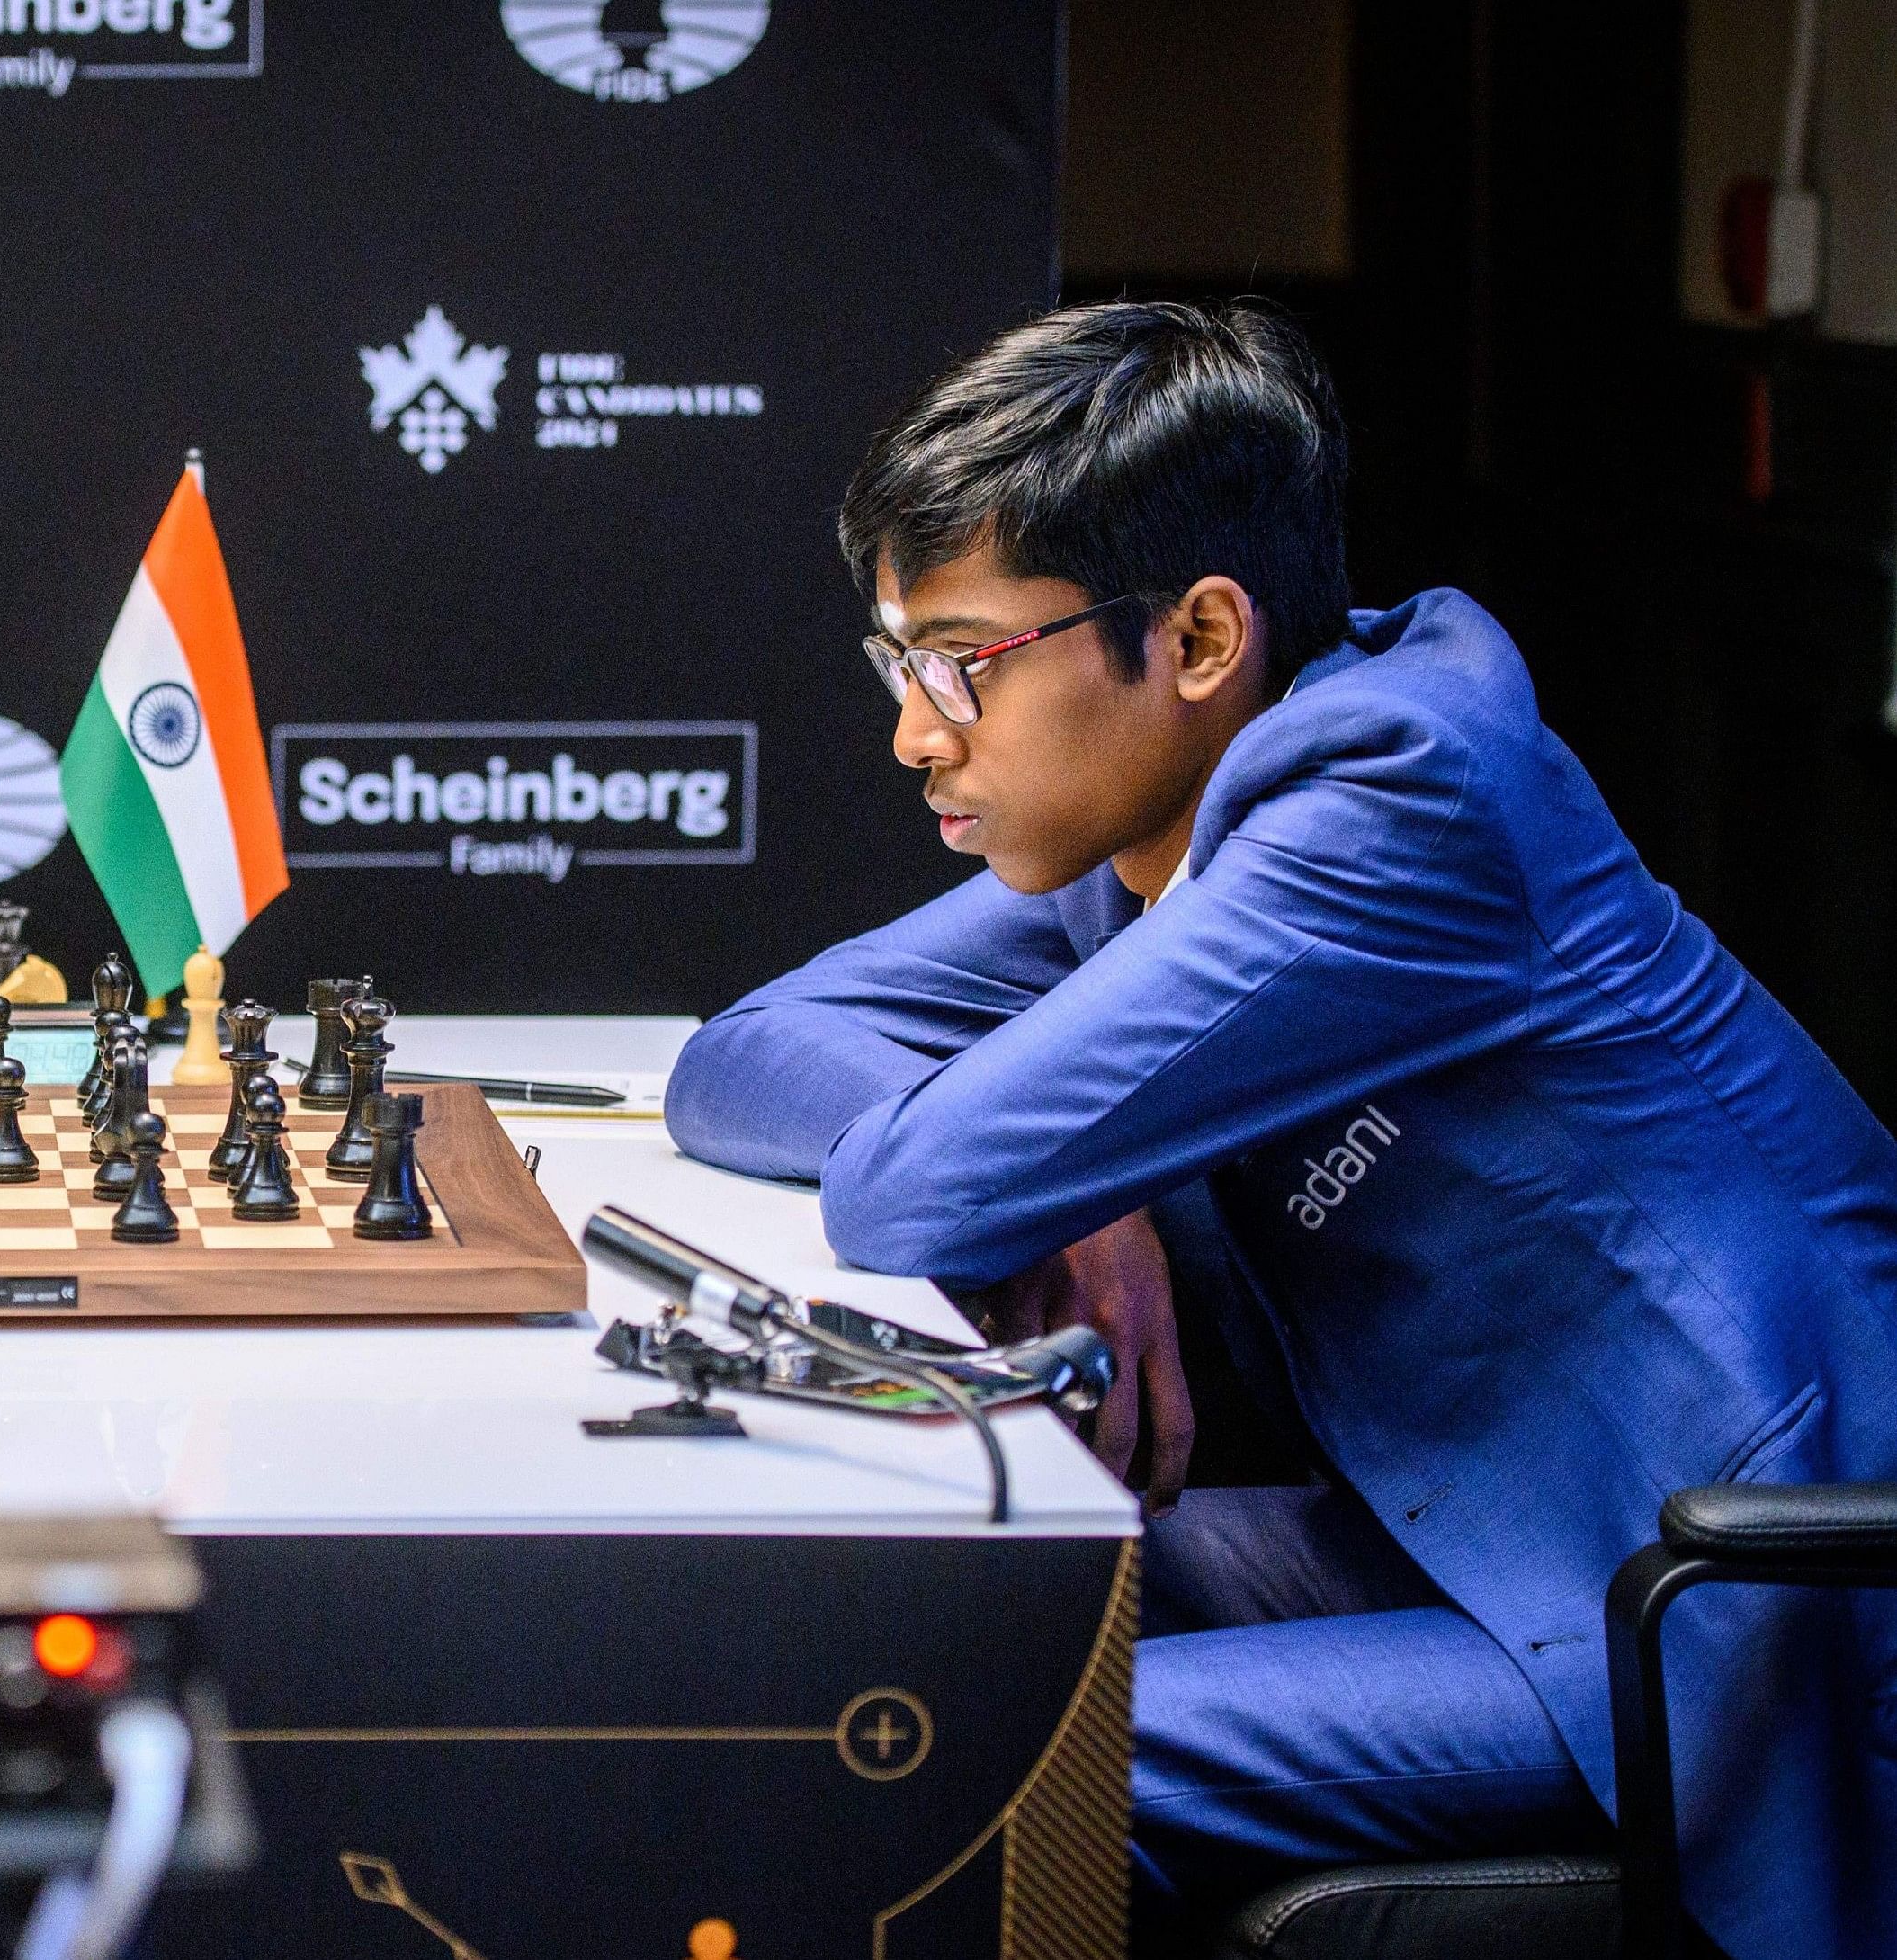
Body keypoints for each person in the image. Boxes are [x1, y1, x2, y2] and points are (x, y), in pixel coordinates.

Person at [667, 300, 1895, 1956]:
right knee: (925, 1604)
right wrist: (1072, 1193)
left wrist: (1032, 1161)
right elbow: (741, 1055)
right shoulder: (1158, 833)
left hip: (1713, 1605)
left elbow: (911, 1189)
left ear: (1194, 639)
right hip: (1462, 1533)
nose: (913, 731)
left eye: (959, 664)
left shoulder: (1397, 800)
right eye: (895, 663)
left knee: (1015, 1759)